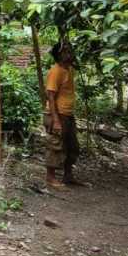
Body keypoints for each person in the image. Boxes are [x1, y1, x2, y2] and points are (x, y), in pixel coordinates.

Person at [44, 41, 79, 189]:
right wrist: (56, 120)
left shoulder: (69, 69)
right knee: (55, 146)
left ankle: (68, 175)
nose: (69, 53)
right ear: (59, 55)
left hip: (68, 114)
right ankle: (50, 178)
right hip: (57, 115)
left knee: (72, 146)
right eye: (65, 51)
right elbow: (50, 96)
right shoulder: (56, 71)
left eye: (70, 50)